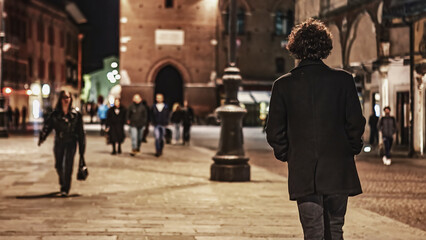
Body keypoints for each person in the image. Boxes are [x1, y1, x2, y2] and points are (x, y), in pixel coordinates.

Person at [266, 18, 365, 240]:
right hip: (338, 168)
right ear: (325, 46)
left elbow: (274, 131)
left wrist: (288, 153)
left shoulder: (283, 85)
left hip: (304, 170)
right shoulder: (343, 81)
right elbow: (356, 123)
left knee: (313, 232)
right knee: (336, 229)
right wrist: (350, 148)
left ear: (295, 48)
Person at [38, 90, 86, 197]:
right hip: (59, 142)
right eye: (64, 97)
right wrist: (42, 137)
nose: (66, 100)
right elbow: (48, 127)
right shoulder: (54, 115)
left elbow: (81, 132)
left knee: (68, 165)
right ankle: (62, 180)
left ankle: (65, 188)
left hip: (71, 142)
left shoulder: (76, 115)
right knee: (58, 165)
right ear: (60, 99)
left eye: (68, 97)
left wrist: (82, 150)